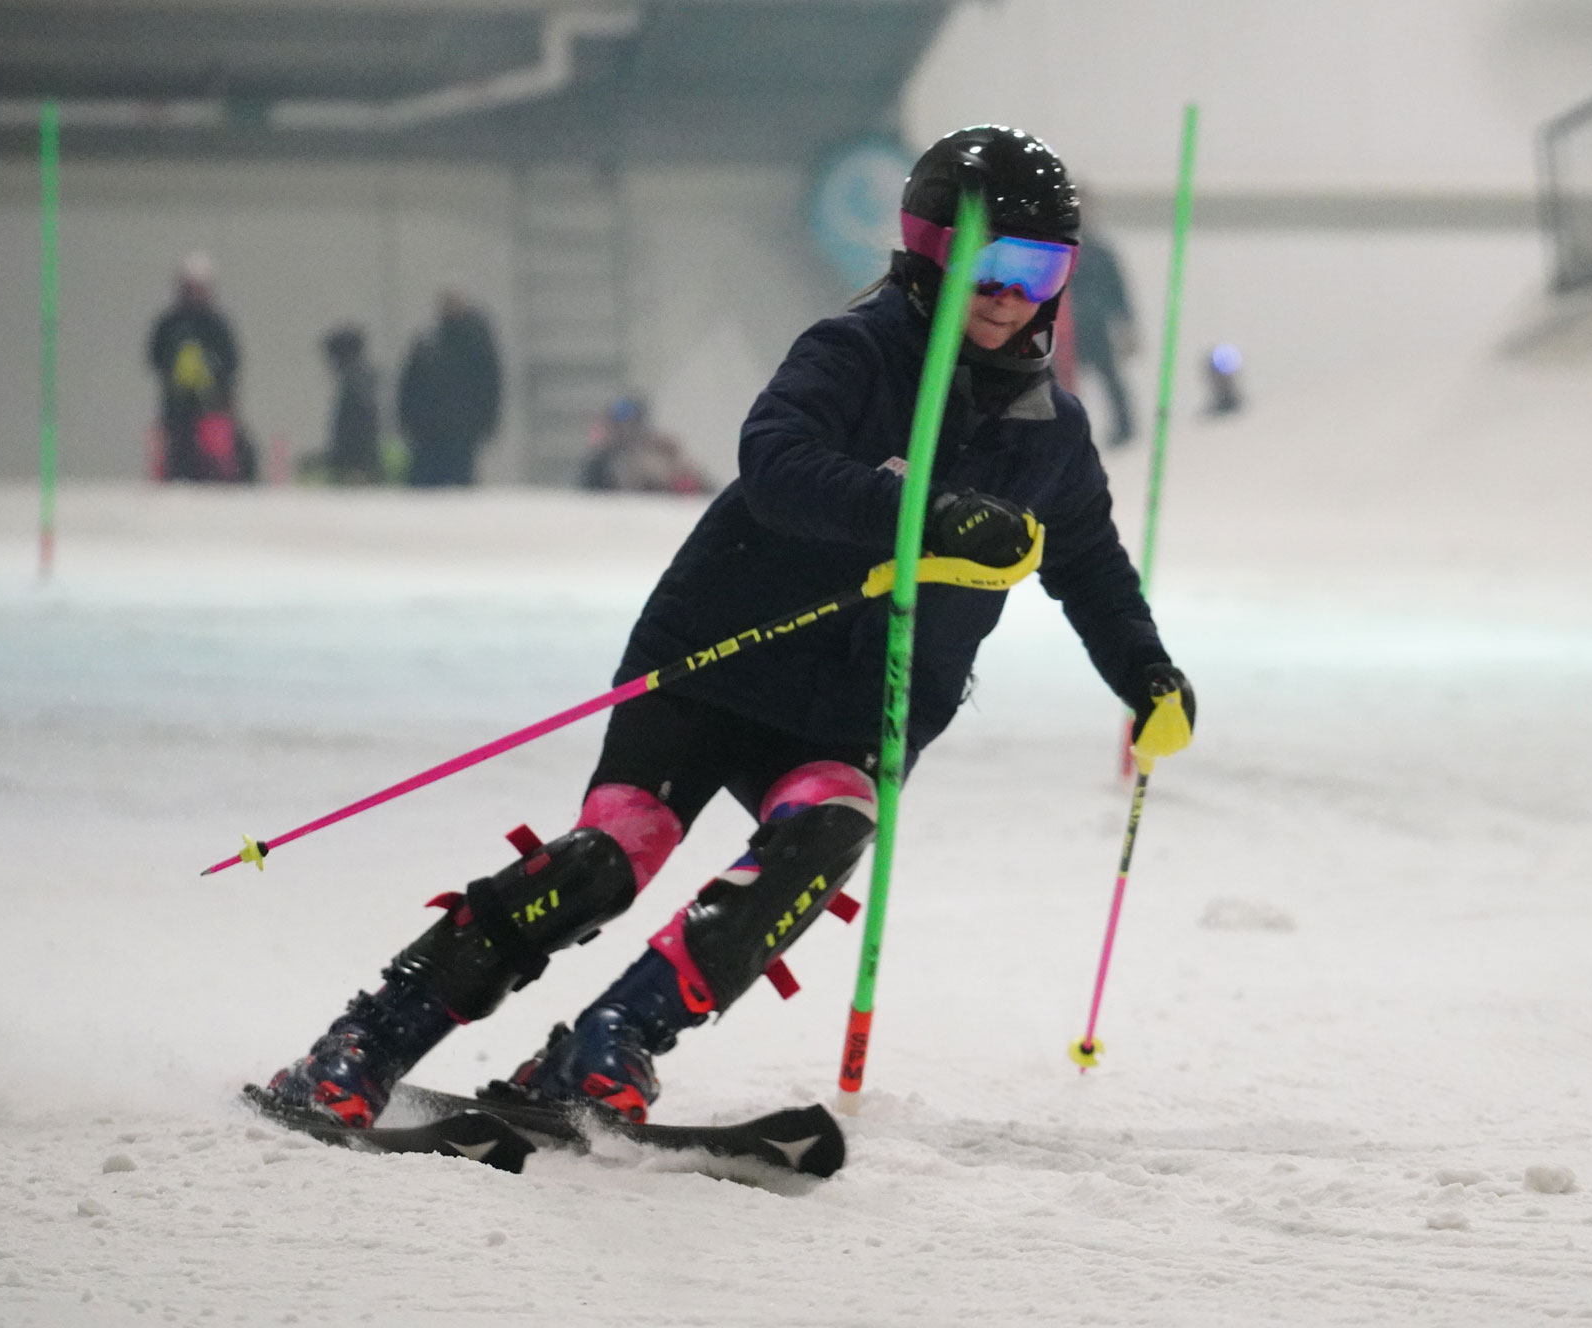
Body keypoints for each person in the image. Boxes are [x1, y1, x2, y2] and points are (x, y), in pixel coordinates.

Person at [257, 125, 1196, 1131]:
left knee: (821, 837)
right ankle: (366, 1039)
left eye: (1039, 269)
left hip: (858, 703)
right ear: (930, 253)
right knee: (607, 861)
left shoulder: (1049, 431)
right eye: (990, 263)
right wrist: (924, 512)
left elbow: (1090, 568)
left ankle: (609, 1042)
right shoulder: (856, 351)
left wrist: (1145, 673)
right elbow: (776, 462)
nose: (1011, 294)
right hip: (721, 655)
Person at [148, 253, 257, 482]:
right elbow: (156, 359)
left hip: (212, 406)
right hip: (176, 405)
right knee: (177, 456)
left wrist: (224, 397)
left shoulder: (216, 325)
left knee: (215, 459)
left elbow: (231, 363)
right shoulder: (169, 324)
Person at [396, 290, 501, 487]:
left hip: (454, 434)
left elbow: (488, 390)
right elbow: (410, 389)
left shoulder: (471, 346)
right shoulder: (430, 346)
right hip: (433, 434)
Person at [1066, 203, 1138, 447]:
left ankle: (1125, 430)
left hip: (1096, 327)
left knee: (1110, 379)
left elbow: (1118, 291)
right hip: (1067, 330)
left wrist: (1126, 326)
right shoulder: (1060, 249)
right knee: (1062, 383)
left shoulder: (1100, 252)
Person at [580, 395, 713, 494]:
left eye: (632, 424)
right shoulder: (600, 463)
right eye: (621, 425)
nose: (627, 430)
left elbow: (704, 490)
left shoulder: (663, 452)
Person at [310, 324, 383, 485]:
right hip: (360, 462)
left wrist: (354, 463)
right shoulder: (362, 379)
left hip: (355, 466)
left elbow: (357, 429)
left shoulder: (354, 385)